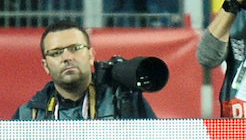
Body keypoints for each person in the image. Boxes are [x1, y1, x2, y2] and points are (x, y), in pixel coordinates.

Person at [12, 19, 156, 120]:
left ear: (91, 56)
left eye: (75, 48)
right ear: (46, 66)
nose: (67, 57)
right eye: (56, 52)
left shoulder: (124, 102)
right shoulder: (30, 115)